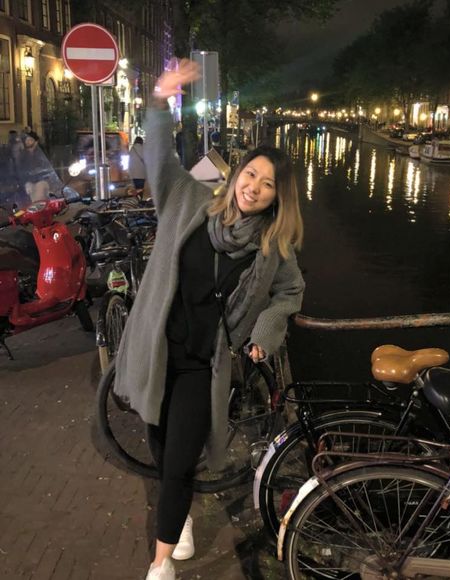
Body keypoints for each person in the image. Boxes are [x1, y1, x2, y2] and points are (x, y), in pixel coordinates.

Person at [113, 58, 305, 580]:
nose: (255, 187)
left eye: (268, 184)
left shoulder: (272, 246)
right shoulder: (188, 201)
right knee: (160, 444)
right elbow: (160, 157)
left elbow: (290, 292)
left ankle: (160, 566)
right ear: (237, 173)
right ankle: (180, 520)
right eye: (251, 174)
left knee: (179, 461)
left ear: (277, 197)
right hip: (160, 349)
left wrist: (267, 329)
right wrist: (159, 100)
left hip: (205, 362)